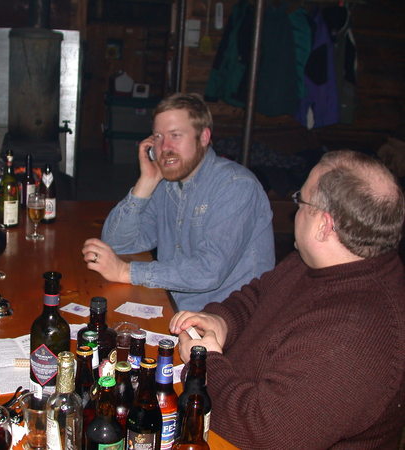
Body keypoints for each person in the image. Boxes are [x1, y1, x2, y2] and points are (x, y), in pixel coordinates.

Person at [170, 150, 405, 449]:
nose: (295, 210)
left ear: (324, 225)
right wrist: (221, 320)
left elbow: (260, 432)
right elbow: (257, 296)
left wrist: (207, 365)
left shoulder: (355, 339)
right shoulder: (318, 262)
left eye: (301, 200)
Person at [82, 93, 275, 311]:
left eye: (175, 135)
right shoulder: (166, 183)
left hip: (227, 322)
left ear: (203, 137)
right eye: (157, 137)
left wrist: (126, 272)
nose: (164, 147)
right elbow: (118, 243)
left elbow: (209, 271)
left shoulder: (236, 186)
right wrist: (145, 183)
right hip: (173, 306)